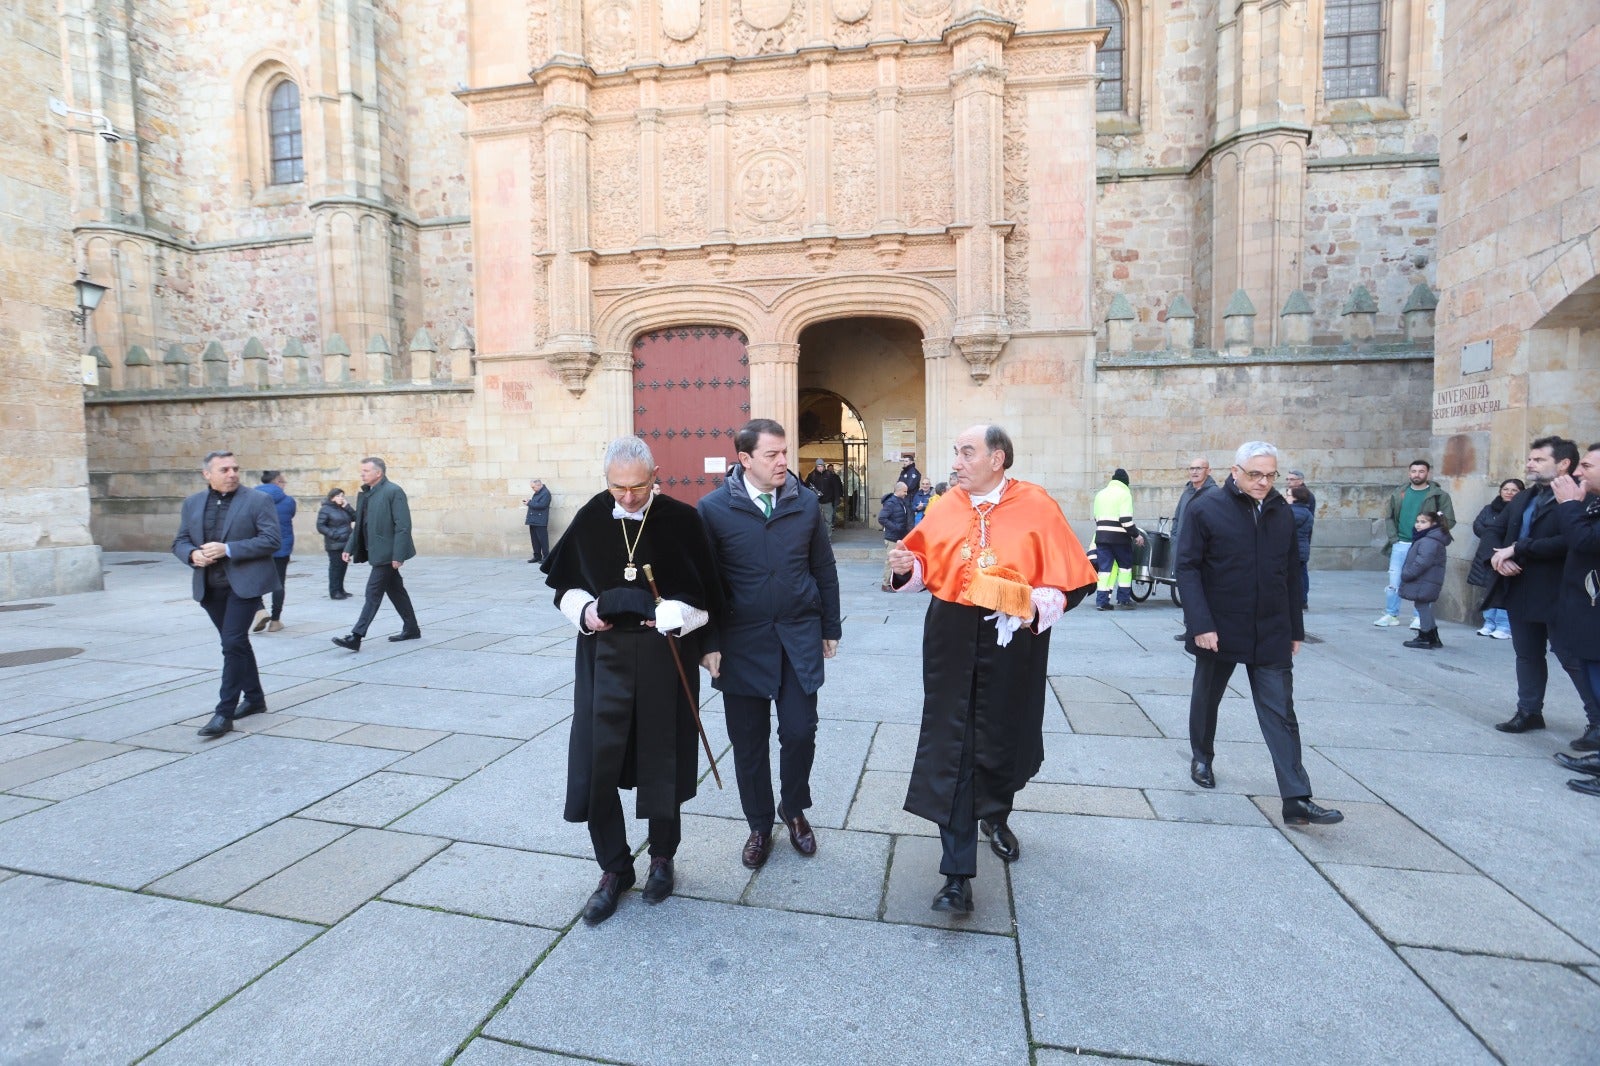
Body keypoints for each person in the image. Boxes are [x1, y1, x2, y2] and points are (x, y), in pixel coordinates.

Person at [888, 425, 1097, 915]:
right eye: (956, 453)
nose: (956, 463)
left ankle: (996, 813)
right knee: (953, 742)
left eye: (967, 453)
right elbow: (924, 566)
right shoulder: (946, 505)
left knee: (1004, 735)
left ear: (997, 458)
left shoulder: (1036, 504)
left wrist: (1033, 605)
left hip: (1012, 640)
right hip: (951, 638)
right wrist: (905, 568)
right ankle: (956, 874)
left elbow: (1074, 581)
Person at [542, 436, 725, 924]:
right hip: (602, 658)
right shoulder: (591, 515)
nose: (626, 497)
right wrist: (584, 611)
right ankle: (614, 868)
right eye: (617, 487)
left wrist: (677, 614)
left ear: (655, 475)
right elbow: (563, 587)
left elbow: (709, 599)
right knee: (597, 761)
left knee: (662, 757)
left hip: (665, 658)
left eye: (637, 487)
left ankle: (662, 858)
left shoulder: (682, 521)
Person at [1177, 441, 1342, 827]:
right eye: (1255, 474)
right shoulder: (1206, 508)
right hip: (1220, 626)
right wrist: (1200, 624)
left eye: (1270, 475)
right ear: (1235, 472)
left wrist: (1295, 628)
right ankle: (1202, 757)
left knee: (1281, 711)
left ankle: (1296, 798)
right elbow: (1187, 567)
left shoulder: (1281, 511)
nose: (1264, 482)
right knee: (1208, 697)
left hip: (1270, 628)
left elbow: (1290, 571)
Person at [698, 420, 841, 868]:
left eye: (785, 452)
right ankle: (759, 824)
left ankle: (793, 808)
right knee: (748, 742)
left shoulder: (805, 503)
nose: (783, 461)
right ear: (745, 460)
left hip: (798, 637)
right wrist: (708, 642)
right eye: (772, 455)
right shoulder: (713, 509)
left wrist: (830, 627)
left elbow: (824, 567)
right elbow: (705, 583)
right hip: (740, 643)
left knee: (800, 731)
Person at [1485, 436, 1600, 743]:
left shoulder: (1582, 496)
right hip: (1520, 586)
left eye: (1538, 460)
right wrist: (1499, 557)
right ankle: (1529, 711)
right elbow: (1494, 527)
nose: (1530, 464)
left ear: (1563, 464)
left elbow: (1572, 541)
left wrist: (1519, 548)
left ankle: (1596, 722)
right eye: (1530, 459)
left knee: (1572, 658)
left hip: (1559, 589)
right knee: (1526, 654)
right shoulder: (1525, 497)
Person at [172, 451, 282, 738]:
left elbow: (272, 540)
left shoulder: (258, 500)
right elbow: (180, 541)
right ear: (207, 474)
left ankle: (224, 713)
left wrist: (228, 549)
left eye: (235, 468)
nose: (232, 474)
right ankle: (255, 699)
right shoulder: (192, 503)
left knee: (232, 642)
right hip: (210, 587)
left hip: (245, 586)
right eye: (224, 469)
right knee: (236, 644)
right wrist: (192, 554)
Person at [332, 457, 421, 651]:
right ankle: (412, 628)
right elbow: (359, 526)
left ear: (378, 473)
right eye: (362, 471)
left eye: (366, 471)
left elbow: (403, 526)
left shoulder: (393, 491)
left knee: (372, 592)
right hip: (376, 552)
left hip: (387, 554)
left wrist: (398, 555)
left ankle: (356, 636)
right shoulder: (368, 494)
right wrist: (349, 547)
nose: (362, 474)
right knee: (396, 591)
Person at [1552, 443, 1600, 786]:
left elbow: (1585, 542)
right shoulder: (1592, 502)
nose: (1578, 472)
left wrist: (1570, 505)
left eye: (1587, 466)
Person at [1375, 459, 1455, 628]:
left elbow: (1449, 520)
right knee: (1394, 580)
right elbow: (1389, 517)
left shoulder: (1439, 495)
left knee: (1423, 581)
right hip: (1401, 543)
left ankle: (1419, 616)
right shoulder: (1399, 493)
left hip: (1425, 544)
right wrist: (1394, 538)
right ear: (1409, 472)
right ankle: (1391, 614)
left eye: (1421, 471)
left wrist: (1432, 535)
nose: (1417, 474)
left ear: (1428, 473)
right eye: (1414, 471)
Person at [1170, 457, 1217, 640]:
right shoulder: (1187, 492)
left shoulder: (1214, 493)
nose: (1195, 472)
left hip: (1203, 552)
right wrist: (1175, 539)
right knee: (1187, 590)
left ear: (1208, 471)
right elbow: (1177, 518)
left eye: (1199, 468)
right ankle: (1190, 628)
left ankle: (1203, 628)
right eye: (1192, 468)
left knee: (1203, 591)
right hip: (1183, 550)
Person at [1469, 478, 1522, 638]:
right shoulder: (1489, 509)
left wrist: (1501, 538)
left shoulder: (1521, 509)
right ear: (1500, 491)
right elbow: (1478, 526)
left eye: (1514, 490)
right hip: (1488, 554)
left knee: (1504, 590)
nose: (1509, 492)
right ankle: (1489, 622)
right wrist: (1492, 536)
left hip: (1509, 554)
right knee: (1489, 589)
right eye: (1506, 489)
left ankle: (1504, 625)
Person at [1092, 468, 1145, 610]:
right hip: (1120, 540)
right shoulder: (1125, 494)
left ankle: (1101, 601)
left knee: (1104, 570)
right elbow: (1126, 520)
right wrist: (1136, 535)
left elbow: (1096, 517)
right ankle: (1124, 599)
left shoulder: (1100, 494)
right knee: (1125, 568)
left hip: (1102, 537)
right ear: (1126, 482)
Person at [1399, 510, 1452, 650]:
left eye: (1423, 522)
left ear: (1433, 524)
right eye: (1417, 521)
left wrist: (1407, 574)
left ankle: (1425, 636)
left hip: (1424, 580)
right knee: (1423, 605)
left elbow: (1422, 562)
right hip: (1426, 580)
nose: (1418, 525)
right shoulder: (1428, 539)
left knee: (1422, 606)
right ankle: (1433, 636)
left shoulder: (1428, 541)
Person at [250, 471, 296, 634]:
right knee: (278, 583)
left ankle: (260, 610)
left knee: (254, 581)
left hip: (258, 547)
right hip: (280, 547)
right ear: (277, 482)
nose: (284, 485)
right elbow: (290, 515)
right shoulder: (289, 501)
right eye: (283, 482)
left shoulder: (250, 499)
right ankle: (275, 621)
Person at [317, 488, 356, 599]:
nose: (341, 498)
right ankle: (334, 592)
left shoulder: (343, 508)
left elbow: (356, 517)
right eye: (338, 496)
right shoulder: (325, 509)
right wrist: (334, 535)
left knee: (343, 567)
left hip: (346, 543)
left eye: (342, 496)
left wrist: (347, 507)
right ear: (332, 497)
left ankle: (341, 589)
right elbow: (320, 526)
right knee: (335, 568)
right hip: (334, 544)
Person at [877, 481, 912, 591]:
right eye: (905, 491)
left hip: (900, 536)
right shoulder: (891, 503)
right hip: (892, 537)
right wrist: (895, 527)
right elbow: (882, 518)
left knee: (898, 560)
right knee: (890, 560)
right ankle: (885, 584)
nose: (906, 493)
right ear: (899, 490)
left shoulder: (900, 501)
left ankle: (894, 583)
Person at [1289, 484, 1314, 610]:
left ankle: (1300, 600)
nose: (1286, 497)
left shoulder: (1294, 511)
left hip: (1296, 549)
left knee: (1297, 576)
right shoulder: (1306, 511)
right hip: (1302, 548)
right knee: (1301, 574)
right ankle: (1302, 600)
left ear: (1295, 498)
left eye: (1288, 495)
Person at [804, 458, 844, 534]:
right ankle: (819, 538)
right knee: (816, 520)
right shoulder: (812, 475)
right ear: (816, 466)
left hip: (828, 501)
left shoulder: (830, 475)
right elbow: (806, 487)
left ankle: (828, 537)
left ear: (824, 466)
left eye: (821, 466)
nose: (820, 468)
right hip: (816, 502)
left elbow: (835, 487)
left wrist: (836, 499)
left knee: (828, 520)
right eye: (818, 466)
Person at [523, 478, 552, 563]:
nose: (532, 489)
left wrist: (529, 503)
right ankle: (537, 556)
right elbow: (536, 503)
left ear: (539, 485)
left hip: (540, 520)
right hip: (533, 520)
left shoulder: (546, 493)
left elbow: (542, 505)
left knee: (543, 540)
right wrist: (530, 501)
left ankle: (546, 558)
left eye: (533, 487)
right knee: (534, 540)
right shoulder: (538, 492)